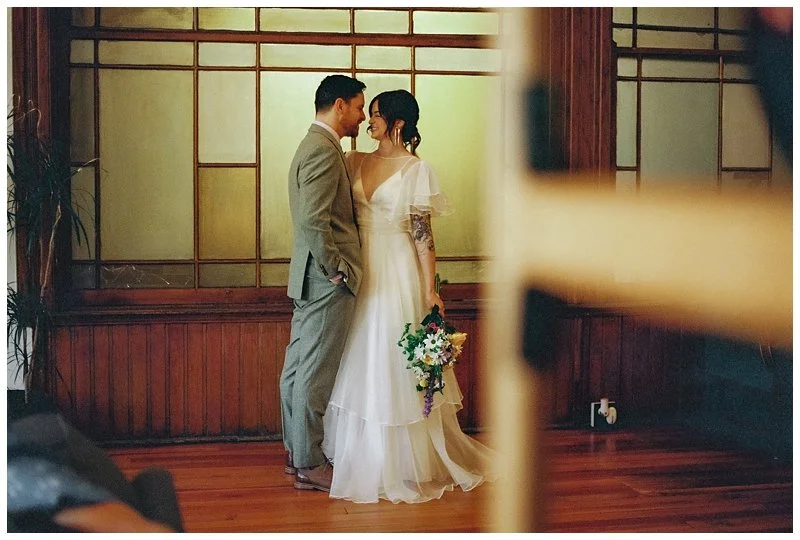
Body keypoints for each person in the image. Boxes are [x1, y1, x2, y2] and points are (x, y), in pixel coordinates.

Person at [321, 89, 498, 503]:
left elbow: (422, 237)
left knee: (392, 356)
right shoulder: (354, 160)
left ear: (398, 123)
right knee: (357, 354)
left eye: (378, 115)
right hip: (360, 267)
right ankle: (357, 453)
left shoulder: (417, 171)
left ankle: (401, 463)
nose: (369, 121)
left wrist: (430, 290)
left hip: (397, 269)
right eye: (370, 113)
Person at [280, 74, 366, 492]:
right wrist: (338, 271)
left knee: (296, 371)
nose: (362, 115)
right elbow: (314, 221)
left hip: (308, 278)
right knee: (314, 373)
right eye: (358, 106)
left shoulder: (312, 145)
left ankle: (296, 454)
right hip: (324, 280)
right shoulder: (323, 151)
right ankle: (310, 463)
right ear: (338, 105)